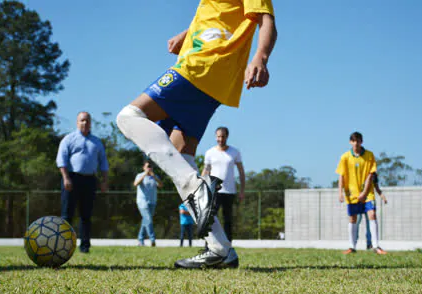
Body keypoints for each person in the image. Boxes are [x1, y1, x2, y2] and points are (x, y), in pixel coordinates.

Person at [115, 0, 277, 269]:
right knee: (181, 155)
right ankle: (220, 248)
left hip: (202, 65)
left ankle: (197, 189)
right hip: (210, 78)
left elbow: (266, 19)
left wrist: (260, 56)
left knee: (129, 117)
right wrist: (186, 34)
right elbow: (214, 15)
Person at [56, 111, 109, 253]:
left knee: (86, 215)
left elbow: (103, 163)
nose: (84, 123)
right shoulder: (68, 139)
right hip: (71, 179)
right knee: (67, 215)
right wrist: (66, 178)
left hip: (90, 180)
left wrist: (104, 181)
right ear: (77, 122)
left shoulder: (96, 142)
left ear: (91, 123)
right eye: (82, 120)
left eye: (87, 120)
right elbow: (61, 160)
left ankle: (85, 247)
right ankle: (63, 246)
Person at [336, 132, 386, 255]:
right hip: (351, 193)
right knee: (352, 218)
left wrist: (364, 192)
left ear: (361, 142)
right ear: (350, 142)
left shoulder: (369, 155)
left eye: (358, 141)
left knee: (372, 215)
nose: (356, 143)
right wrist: (340, 193)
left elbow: (371, 174)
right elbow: (341, 176)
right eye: (353, 141)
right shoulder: (345, 157)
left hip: (367, 193)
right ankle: (351, 247)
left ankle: (376, 246)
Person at [202, 126, 245, 242]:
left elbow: (241, 172)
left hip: (229, 191)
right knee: (210, 218)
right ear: (216, 137)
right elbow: (206, 171)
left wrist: (242, 191)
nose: (220, 139)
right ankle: (210, 244)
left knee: (228, 219)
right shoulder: (209, 153)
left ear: (227, 137)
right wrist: (203, 188)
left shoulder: (234, 152)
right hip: (214, 190)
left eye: (223, 136)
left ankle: (228, 245)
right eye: (218, 136)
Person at [134, 161, 163, 247]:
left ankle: (140, 240)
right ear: (144, 167)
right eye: (147, 166)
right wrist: (144, 175)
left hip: (152, 201)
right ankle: (152, 239)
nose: (149, 168)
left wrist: (153, 176)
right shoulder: (139, 175)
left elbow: (161, 185)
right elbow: (136, 184)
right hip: (142, 201)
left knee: (145, 221)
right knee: (148, 219)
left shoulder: (154, 177)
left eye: (150, 167)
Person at [356, 173, 388, 250]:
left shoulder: (374, 175)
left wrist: (383, 197)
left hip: (369, 200)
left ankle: (369, 243)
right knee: (356, 221)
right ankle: (354, 241)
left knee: (369, 223)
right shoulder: (359, 170)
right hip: (359, 200)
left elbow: (377, 188)